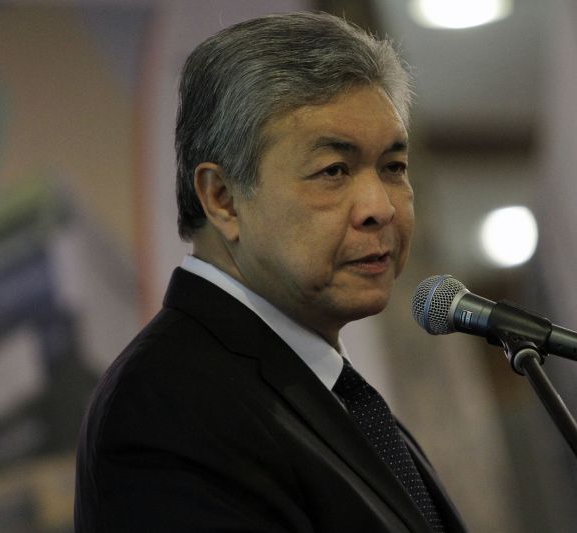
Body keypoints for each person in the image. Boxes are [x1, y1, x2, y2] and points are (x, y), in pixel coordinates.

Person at [74, 11, 466, 533]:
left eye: (393, 167)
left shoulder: (331, 392)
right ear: (222, 198)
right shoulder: (172, 404)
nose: (380, 207)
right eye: (333, 171)